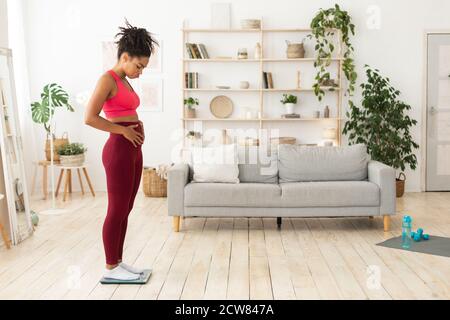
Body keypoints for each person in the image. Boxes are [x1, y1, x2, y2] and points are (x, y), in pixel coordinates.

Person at [84, 19, 158, 281]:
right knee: (116, 209)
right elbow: (90, 117)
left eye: (144, 67)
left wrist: (138, 125)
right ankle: (110, 267)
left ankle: (118, 262)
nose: (141, 71)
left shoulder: (125, 80)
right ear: (125, 57)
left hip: (132, 149)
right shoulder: (108, 79)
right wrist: (125, 131)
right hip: (118, 150)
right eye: (139, 65)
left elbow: (124, 111)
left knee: (126, 208)